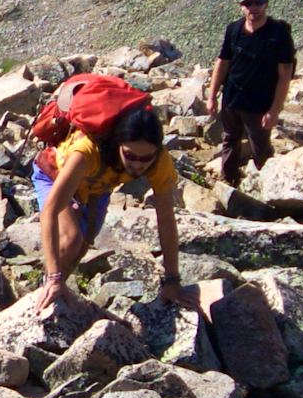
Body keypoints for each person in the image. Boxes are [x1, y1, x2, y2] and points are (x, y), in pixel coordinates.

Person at [25, 72, 189, 313]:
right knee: (71, 240)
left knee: (81, 248)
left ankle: (53, 295)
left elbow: (166, 219)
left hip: (97, 188)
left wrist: (173, 281)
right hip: (54, 174)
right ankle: (45, 293)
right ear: (117, 144)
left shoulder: (159, 161)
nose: (138, 165)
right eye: (130, 156)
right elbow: (51, 210)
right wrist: (54, 277)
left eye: (146, 158)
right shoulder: (87, 152)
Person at [204, 0, 296, 187]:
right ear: (241, 6)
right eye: (248, 4)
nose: (253, 8)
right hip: (232, 97)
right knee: (230, 138)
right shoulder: (233, 29)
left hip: (260, 102)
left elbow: (285, 73)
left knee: (260, 146)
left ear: (266, 5)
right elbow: (223, 62)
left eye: (258, 3)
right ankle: (228, 180)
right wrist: (211, 96)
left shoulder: (279, 32)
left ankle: (269, 187)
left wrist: (275, 110)